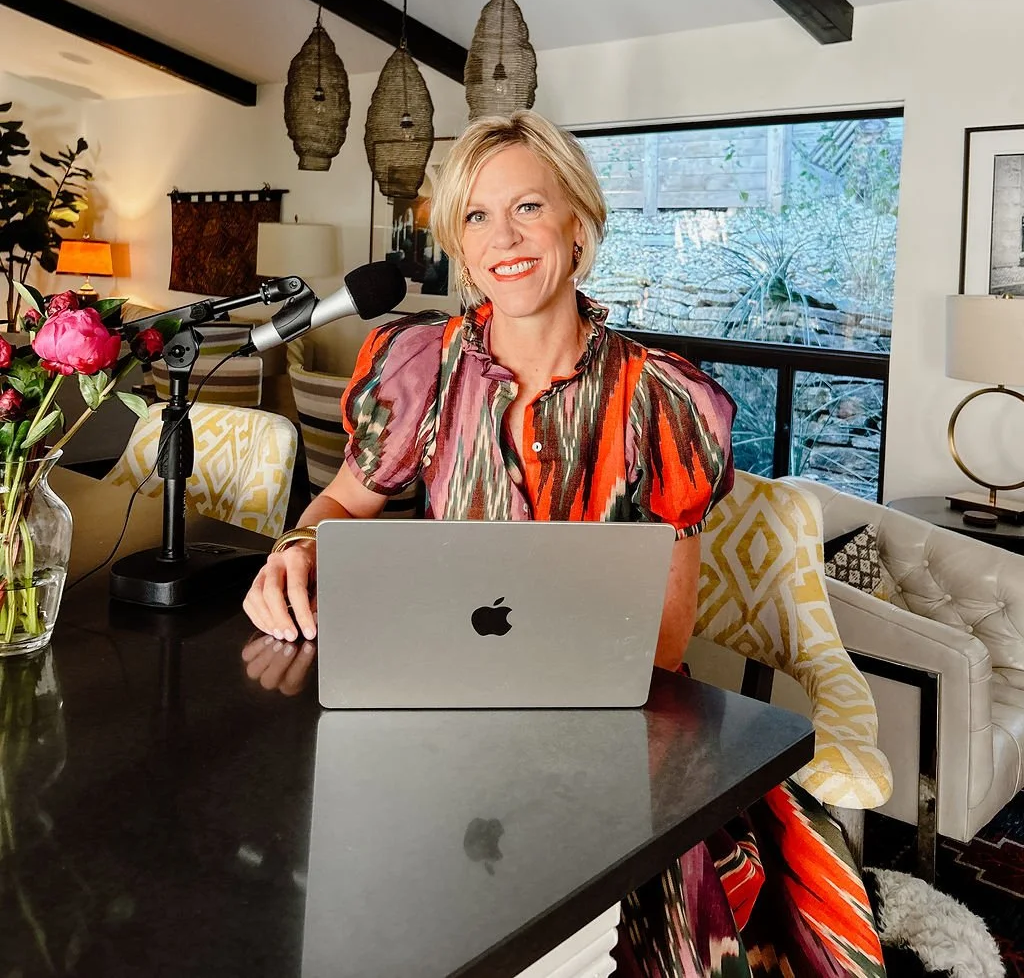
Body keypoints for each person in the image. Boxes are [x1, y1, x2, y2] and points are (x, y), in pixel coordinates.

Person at [243, 112, 884, 978]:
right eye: (475, 216)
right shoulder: (418, 365)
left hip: (619, 733)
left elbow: (662, 640)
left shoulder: (663, 398)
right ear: (456, 246)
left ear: (578, 224)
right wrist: (295, 545)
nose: (501, 237)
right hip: (436, 710)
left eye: (528, 207)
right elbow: (342, 503)